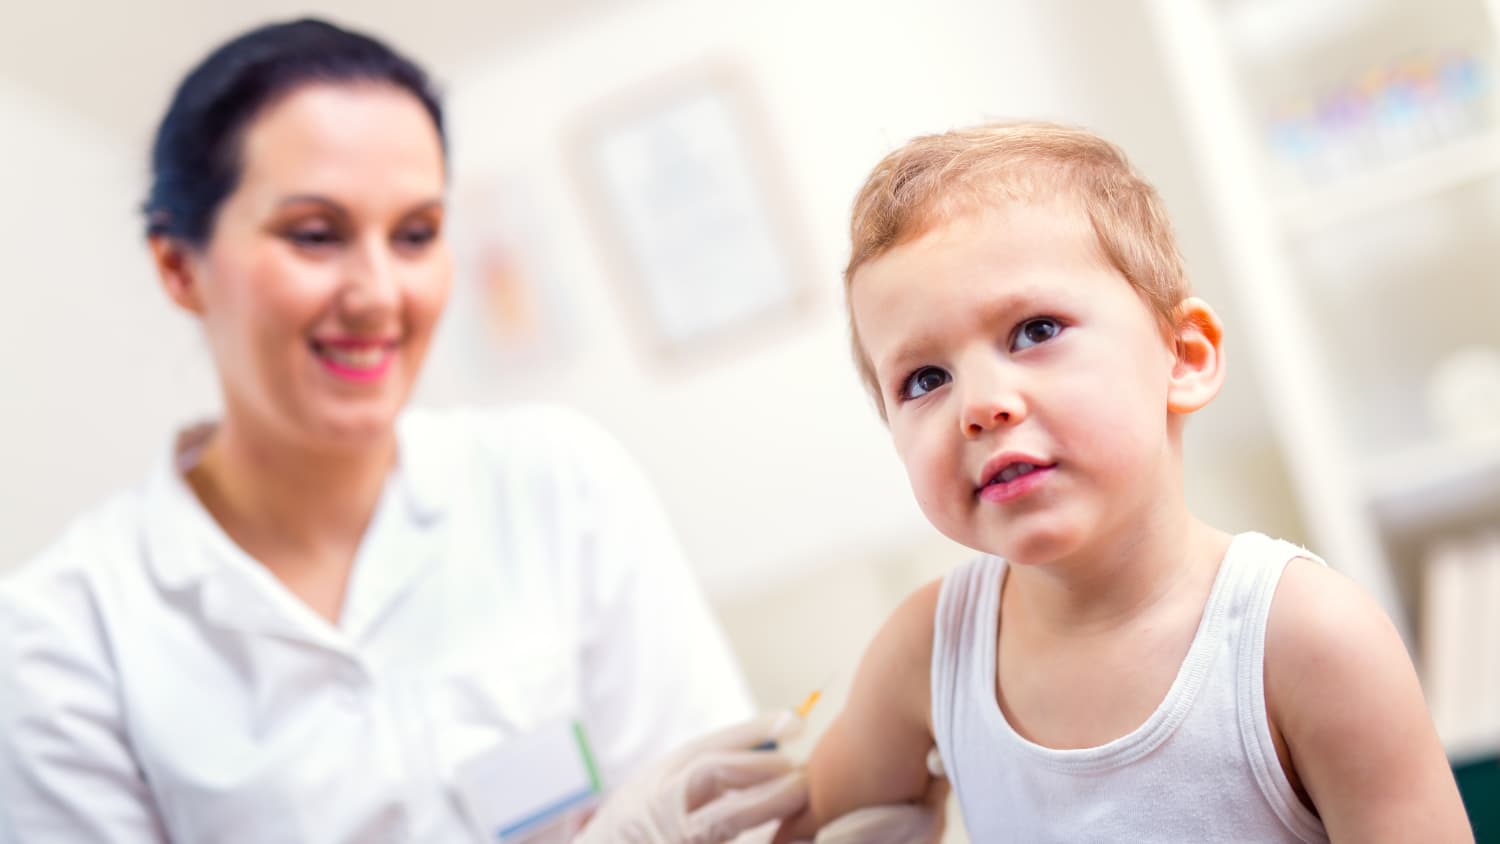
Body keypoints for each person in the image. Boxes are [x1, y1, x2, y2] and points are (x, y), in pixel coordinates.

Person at [0, 18, 934, 844]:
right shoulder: (59, 644)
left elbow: (718, 813)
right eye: (315, 234)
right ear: (178, 265)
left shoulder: (556, 480)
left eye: (415, 234)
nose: (377, 296)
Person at [772, 122, 1473, 842]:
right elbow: (790, 829)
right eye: (924, 379)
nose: (980, 405)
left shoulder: (1306, 636)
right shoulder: (929, 649)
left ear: (1184, 357)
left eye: (1035, 331)